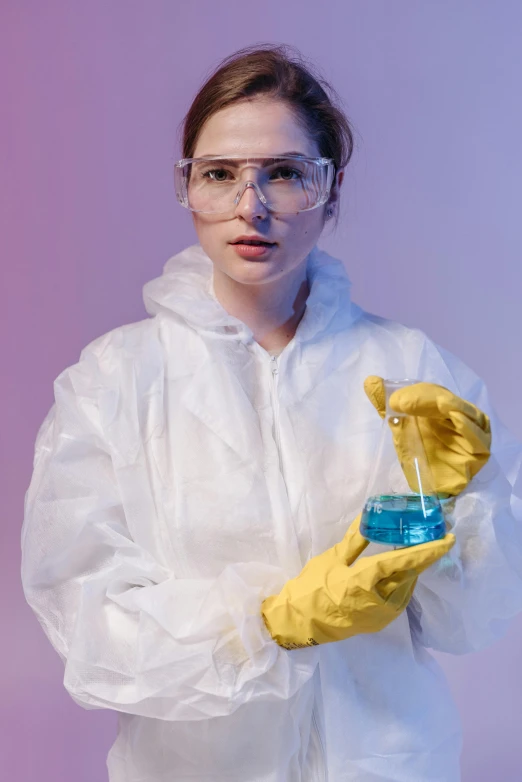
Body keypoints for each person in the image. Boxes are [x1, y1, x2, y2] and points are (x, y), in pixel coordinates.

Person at [21, 43, 522, 782]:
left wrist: (456, 511)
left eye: (285, 173)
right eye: (219, 174)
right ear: (187, 188)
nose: (250, 205)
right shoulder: (115, 382)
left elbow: (473, 620)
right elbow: (89, 627)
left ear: (330, 188)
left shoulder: (412, 371)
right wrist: (267, 625)